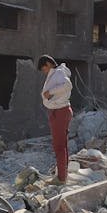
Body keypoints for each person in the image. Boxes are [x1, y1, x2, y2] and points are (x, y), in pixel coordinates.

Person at [38, 54, 73, 184]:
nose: (44, 72)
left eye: (44, 69)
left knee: (59, 146)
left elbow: (67, 85)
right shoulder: (57, 73)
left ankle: (61, 178)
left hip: (60, 112)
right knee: (62, 145)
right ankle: (63, 174)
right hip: (60, 111)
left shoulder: (58, 72)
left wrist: (50, 92)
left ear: (48, 64)